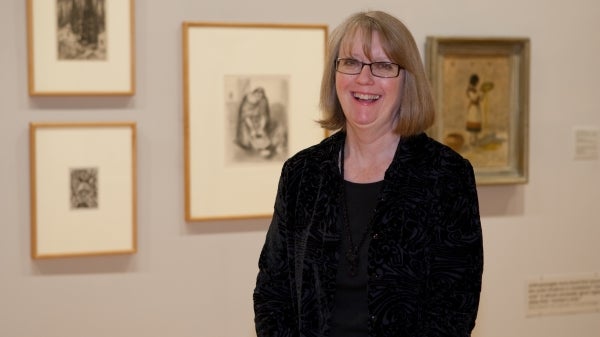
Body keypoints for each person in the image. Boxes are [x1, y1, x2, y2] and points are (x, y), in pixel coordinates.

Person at [253, 10, 483, 337]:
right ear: (335, 75)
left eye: (384, 66)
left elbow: (454, 308)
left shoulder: (446, 175)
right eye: (351, 62)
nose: (364, 79)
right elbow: (272, 292)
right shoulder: (302, 173)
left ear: (408, 81)